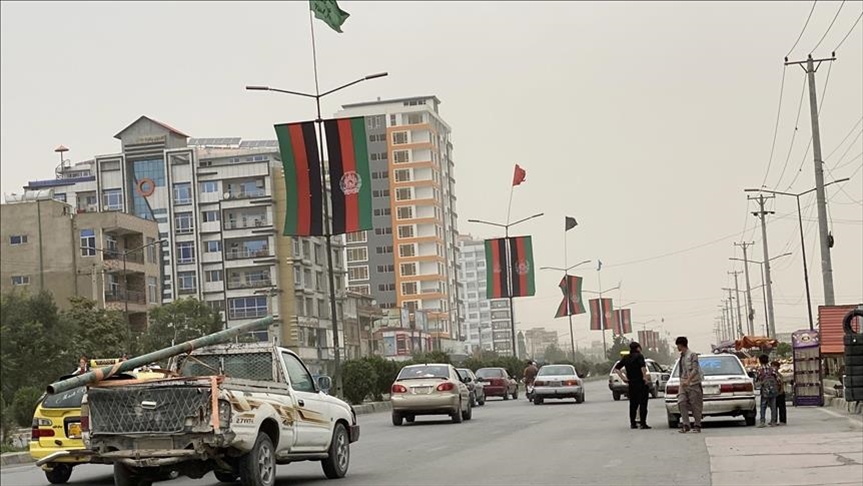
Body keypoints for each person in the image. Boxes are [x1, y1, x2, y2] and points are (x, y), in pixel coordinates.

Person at [614, 342, 651, 429]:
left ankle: (633, 423)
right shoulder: (639, 356)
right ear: (638, 348)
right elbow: (643, 368)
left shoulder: (626, 357)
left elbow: (617, 369)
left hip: (631, 383)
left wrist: (623, 378)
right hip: (640, 382)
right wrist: (645, 378)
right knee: (643, 404)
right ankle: (643, 423)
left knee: (633, 404)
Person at [676, 336, 703, 434]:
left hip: (693, 383)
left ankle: (697, 425)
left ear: (681, 345)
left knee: (695, 405)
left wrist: (688, 380)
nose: (677, 347)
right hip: (683, 383)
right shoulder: (681, 356)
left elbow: (695, 369)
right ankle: (686, 424)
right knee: (681, 402)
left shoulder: (692, 355)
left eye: (678, 345)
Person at [756, 354, 780, 427]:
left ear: (760, 361)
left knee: (763, 406)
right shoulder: (772, 369)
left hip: (765, 391)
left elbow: (758, 379)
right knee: (773, 406)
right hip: (773, 390)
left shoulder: (759, 369)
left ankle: (762, 422)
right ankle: (773, 422)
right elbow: (778, 379)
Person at [771, 361, 787, 425]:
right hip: (774, 393)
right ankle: (774, 420)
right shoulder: (771, 375)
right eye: (772, 366)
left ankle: (782, 421)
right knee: (774, 407)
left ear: (778, 367)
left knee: (781, 407)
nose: (774, 367)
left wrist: (781, 391)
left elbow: (782, 383)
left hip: (780, 393)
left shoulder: (779, 375)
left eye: (775, 366)